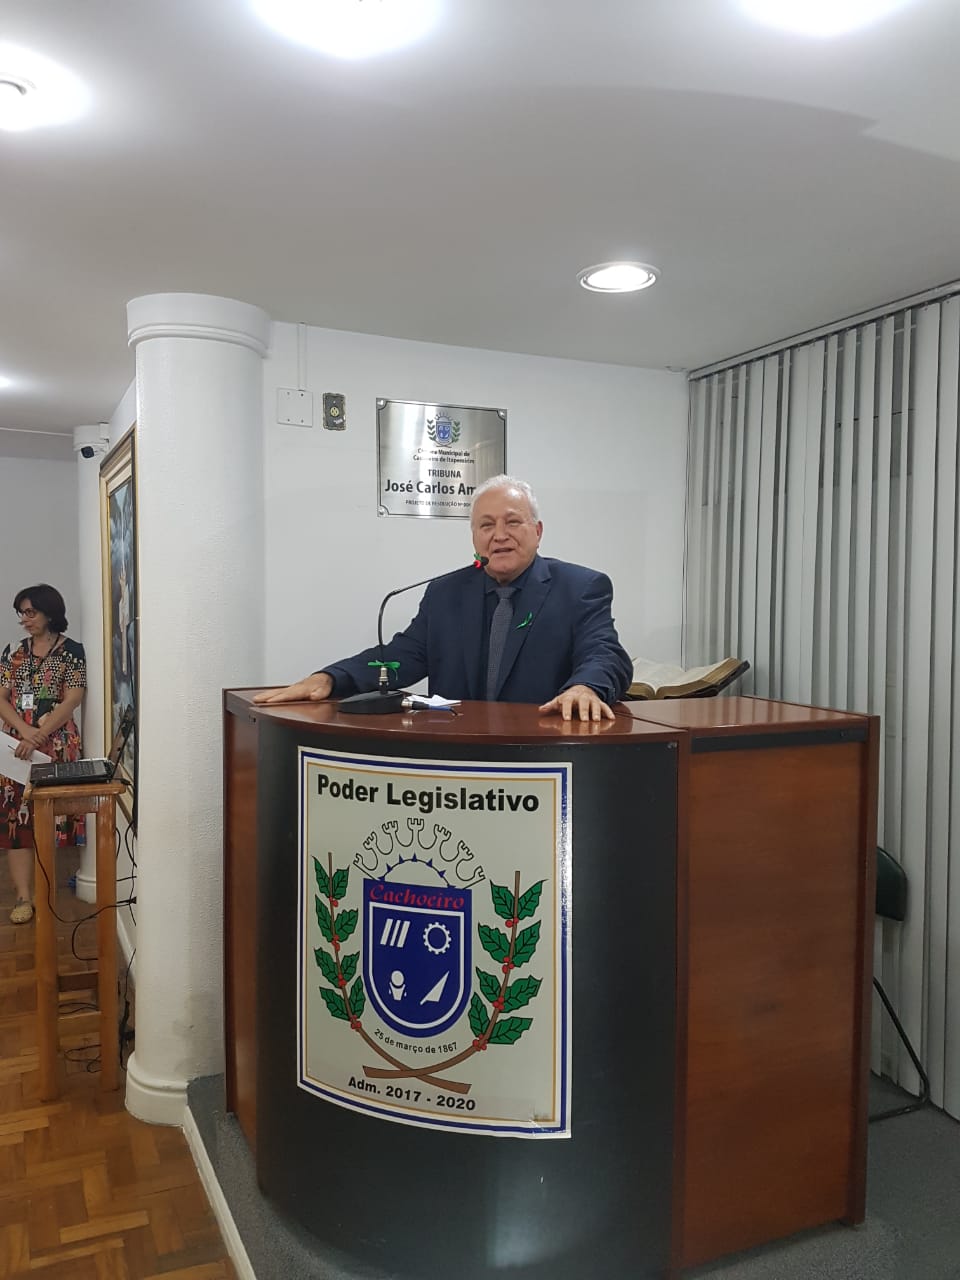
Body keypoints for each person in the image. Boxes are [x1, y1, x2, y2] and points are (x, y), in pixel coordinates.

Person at [255, 475, 633, 721]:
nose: (499, 535)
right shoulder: (446, 593)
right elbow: (401, 657)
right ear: (475, 537)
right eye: (486, 525)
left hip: (544, 759)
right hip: (455, 763)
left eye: (513, 522)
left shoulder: (580, 587)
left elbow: (606, 655)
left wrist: (585, 687)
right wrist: (331, 678)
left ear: (537, 531)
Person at [0, 585, 86, 924]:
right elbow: (1, 697)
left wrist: (40, 734)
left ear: (50, 612)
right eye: (21, 613)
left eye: (30, 612)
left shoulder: (72, 652)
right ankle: (24, 896)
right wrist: (25, 732)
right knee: (16, 824)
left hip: (56, 744)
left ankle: (47, 891)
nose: (25, 619)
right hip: (17, 749)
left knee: (51, 820)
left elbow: (73, 698)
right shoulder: (13, 653)